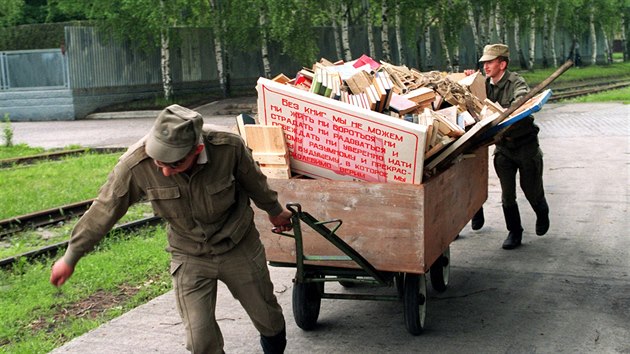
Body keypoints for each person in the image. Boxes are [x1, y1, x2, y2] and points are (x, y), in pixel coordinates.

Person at [50, 104, 293, 353]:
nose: (165, 171)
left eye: (175, 164)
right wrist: (71, 257)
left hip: (238, 244)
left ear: (197, 150)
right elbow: (103, 210)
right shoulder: (135, 164)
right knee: (200, 340)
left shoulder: (228, 147)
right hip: (189, 253)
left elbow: (255, 182)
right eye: (159, 162)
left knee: (268, 319)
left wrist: (275, 211)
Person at [465, 44, 550, 250]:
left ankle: (541, 211)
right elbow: (469, 95)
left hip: (525, 146)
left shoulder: (516, 82)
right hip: (503, 147)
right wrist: (468, 81)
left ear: (502, 64)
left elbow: (522, 98)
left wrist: (513, 105)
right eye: (484, 62)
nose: (485, 66)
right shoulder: (485, 83)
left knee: (531, 190)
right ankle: (515, 231)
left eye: (490, 62)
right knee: (507, 194)